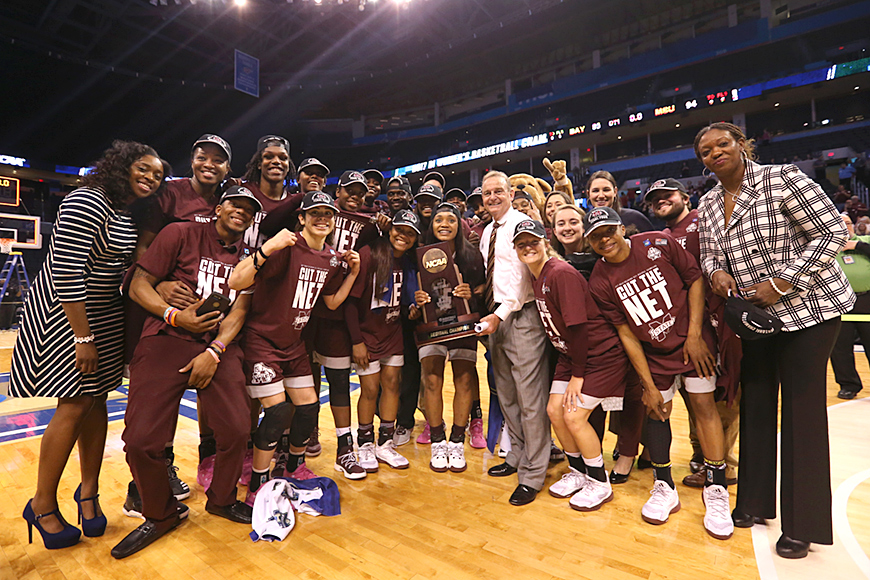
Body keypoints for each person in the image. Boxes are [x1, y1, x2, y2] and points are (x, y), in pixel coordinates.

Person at [695, 121, 855, 558]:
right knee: (757, 401)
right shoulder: (708, 202)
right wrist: (716, 272)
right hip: (757, 316)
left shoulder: (781, 178)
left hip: (811, 310)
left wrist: (785, 281)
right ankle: (753, 503)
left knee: (802, 411)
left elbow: (831, 234)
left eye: (722, 144)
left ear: (741, 144)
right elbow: (709, 252)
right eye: (705, 151)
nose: (714, 154)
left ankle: (802, 525)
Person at [11, 140, 164, 550]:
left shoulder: (126, 211)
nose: (151, 177)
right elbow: (65, 271)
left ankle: (88, 494)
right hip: (68, 313)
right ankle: (41, 505)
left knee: (98, 401)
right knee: (75, 403)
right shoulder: (87, 199)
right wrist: (82, 336)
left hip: (105, 313)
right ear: (123, 165)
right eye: (144, 168)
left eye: (158, 174)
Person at [113, 185, 261, 559]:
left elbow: (239, 312)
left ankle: (222, 499)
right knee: (142, 441)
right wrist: (174, 315)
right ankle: (161, 514)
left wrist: (214, 351)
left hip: (216, 346)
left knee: (237, 429)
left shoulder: (248, 259)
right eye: (234, 204)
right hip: (166, 337)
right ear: (219, 207)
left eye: (249, 209)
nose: (240, 211)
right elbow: (138, 283)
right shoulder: (180, 233)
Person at [586, 206, 732, 540]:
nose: (604, 239)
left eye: (608, 230)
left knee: (704, 407)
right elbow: (625, 333)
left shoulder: (658, 243)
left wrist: (695, 335)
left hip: (692, 343)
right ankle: (663, 485)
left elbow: (695, 280)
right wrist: (647, 384)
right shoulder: (599, 279)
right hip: (653, 352)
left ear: (622, 228)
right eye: (596, 236)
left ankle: (716, 487)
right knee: (656, 412)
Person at [228, 190, 362, 492]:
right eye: (315, 213)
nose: (322, 219)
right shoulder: (285, 247)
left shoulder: (329, 258)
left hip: (294, 345)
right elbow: (235, 281)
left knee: (308, 408)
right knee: (277, 412)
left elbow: (331, 303)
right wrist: (267, 248)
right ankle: (259, 480)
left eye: (328, 214)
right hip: (262, 342)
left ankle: (293, 467)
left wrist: (353, 272)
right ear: (301, 218)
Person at [133, 133, 233, 502]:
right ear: (191, 160)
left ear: (227, 168)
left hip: (211, 316)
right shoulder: (170, 193)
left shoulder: (230, 197)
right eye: (202, 157)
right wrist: (156, 286)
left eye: (218, 159)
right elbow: (146, 245)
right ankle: (151, 478)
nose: (209, 164)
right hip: (168, 310)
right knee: (159, 400)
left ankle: (209, 461)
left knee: (214, 396)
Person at [513, 218, 630, 511]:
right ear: (515, 249)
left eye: (533, 241)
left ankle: (599, 482)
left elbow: (578, 329)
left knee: (574, 416)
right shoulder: (535, 274)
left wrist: (578, 375)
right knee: (554, 410)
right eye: (522, 243)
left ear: (545, 241)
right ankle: (578, 471)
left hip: (599, 355)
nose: (528, 247)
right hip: (570, 355)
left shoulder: (560, 273)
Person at [642, 178, 740, 490]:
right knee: (698, 398)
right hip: (689, 326)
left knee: (727, 395)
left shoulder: (703, 220)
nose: (661, 201)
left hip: (722, 318)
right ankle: (703, 457)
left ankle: (729, 464)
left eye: (667, 195)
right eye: (654, 199)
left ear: (685, 196)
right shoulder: (663, 238)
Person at [476, 170, 551, 507]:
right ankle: (517, 455)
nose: (493, 197)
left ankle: (534, 473)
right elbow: (494, 276)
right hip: (496, 318)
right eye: (487, 193)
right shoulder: (487, 232)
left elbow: (525, 278)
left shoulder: (522, 223)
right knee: (506, 393)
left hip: (521, 317)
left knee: (530, 397)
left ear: (509, 192)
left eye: (498, 191)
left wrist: (498, 315)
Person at [411, 202, 487, 472]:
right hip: (430, 325)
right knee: (431, 380)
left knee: (465, 380)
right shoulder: (418, 254)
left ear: (460, 224)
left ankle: (456, 440)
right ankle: (437, 440)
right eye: (438, 219)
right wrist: (415, 299)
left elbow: (482, 290)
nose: (444, 224)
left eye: (451, 220)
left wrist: (471, 294)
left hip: (462, 327)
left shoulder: (472, 255)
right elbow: (411, 287)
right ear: (431, 225)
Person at [350, 210, 421, 471]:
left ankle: (385, 443)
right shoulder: (371, 254)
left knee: (392, 386)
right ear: (390, 229)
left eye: (410, 233)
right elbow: (350, 301)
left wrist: (412, 310)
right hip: (367, 335)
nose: (403, 236)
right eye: (399, 229)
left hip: (392, 333)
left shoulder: (410, 262)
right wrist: (356, 341)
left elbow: (405, 300)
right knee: (369, 390)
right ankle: (365, 444)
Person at [830, 213, 870, 399]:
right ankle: (848, 385)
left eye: (847, 223)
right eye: (840, 224)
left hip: (867, 300)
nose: (845, 227)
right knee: (840, 348)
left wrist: (858, 246)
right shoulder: (828, 245)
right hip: (839, 302)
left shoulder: (865, 239)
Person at [587, 170, 653, 233]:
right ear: (588, 194)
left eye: (606, 190)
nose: (601, 195)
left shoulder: (634, 218)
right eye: (595, 191)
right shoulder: (585, 225)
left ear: (615, 191)